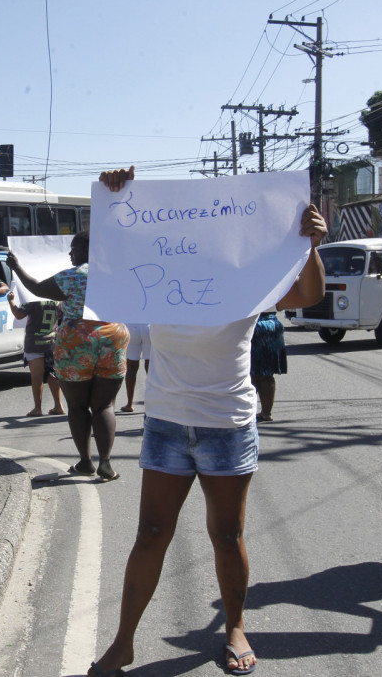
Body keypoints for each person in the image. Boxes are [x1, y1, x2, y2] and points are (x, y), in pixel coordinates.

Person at [89, 166, 327, 677]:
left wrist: (310, 245)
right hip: (168, 423)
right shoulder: (152, 271)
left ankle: (235, 627)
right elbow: (107, 271)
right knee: (151, 534)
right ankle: (123, 642)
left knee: (226, 534)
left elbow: (307, 296)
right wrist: (116, 193)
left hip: (228, 424)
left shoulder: (249, 279)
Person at [7, 230, 128, 482]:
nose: (70, 253)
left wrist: (16, 268)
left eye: (74, 248)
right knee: (105, 405)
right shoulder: (118, 273)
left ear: (87, 250)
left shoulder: (73, 276)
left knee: (77, 405)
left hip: (76, 340)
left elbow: (38, 289)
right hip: (112, 336)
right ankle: (106, 464)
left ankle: (85, 462)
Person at [6, 290, 65, 417]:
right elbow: (60, 316)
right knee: (52, 374)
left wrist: (11, 301)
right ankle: (58, 405)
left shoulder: (32, 300)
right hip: (51, 342)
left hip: (34, 343)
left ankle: (37, 408)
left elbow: (19, 314)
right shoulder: (57, 300)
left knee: (37, 376)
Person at [250, 308, 286, 422]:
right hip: (273, 324)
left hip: (256, 326)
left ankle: (250, 412)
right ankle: (266, 412)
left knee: (253, 374)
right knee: (266, 374)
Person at [121, 323, 150, 413]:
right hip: (149, 327)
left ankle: (130, 404)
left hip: (131, 326)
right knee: (150, 368)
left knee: (131, 367)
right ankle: (151, 404)